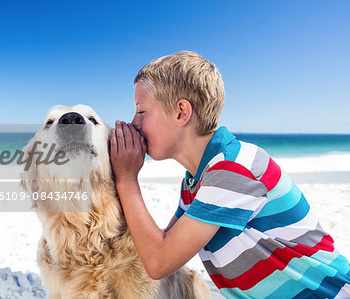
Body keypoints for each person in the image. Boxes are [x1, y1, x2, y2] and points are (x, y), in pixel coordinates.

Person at [109, 51, 350, 298]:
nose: (133, 123)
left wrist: (127, 179)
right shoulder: (195, 180)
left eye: (141, 111)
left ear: (181, 112)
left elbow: (158, 262)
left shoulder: (233, 169)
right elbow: (159, 243)